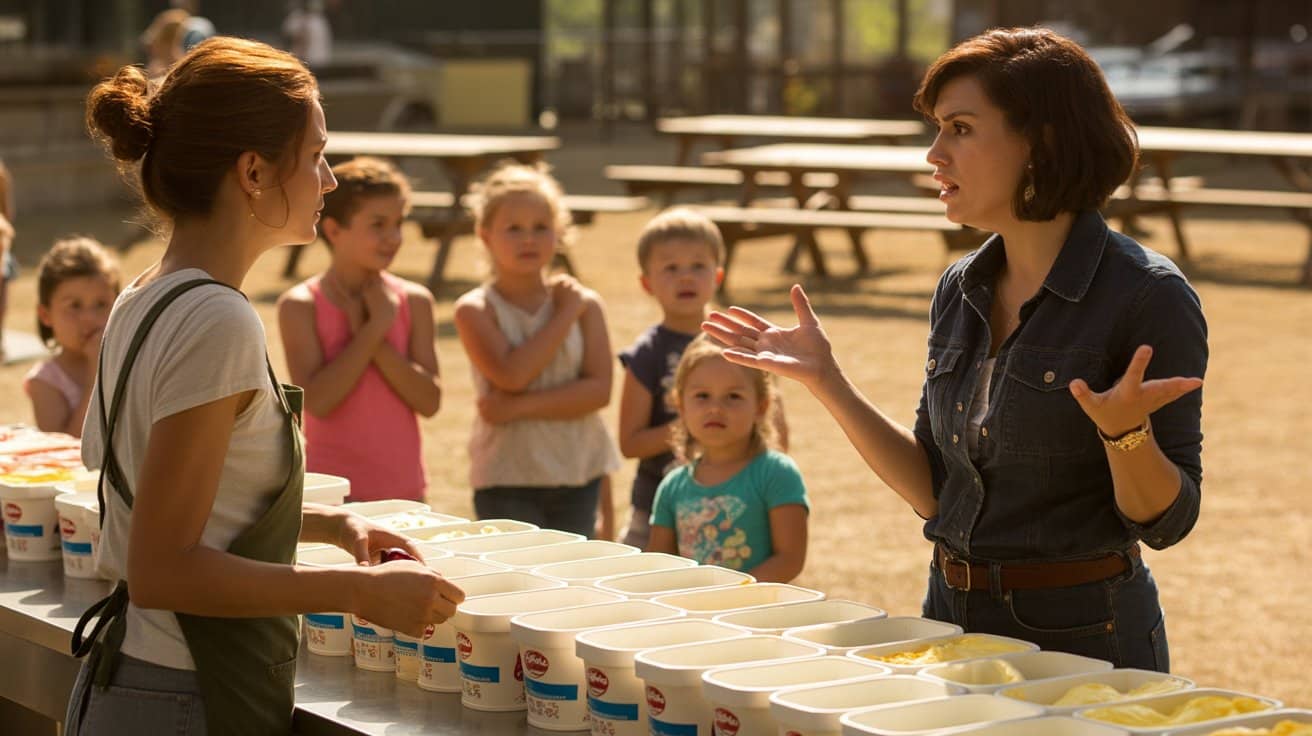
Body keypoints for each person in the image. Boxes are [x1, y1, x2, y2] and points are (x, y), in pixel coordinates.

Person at [704, 27, 1206, 671]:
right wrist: (827, 380)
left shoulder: (1147, 296)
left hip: (1084, 633)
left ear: (1042, 141)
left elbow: (1166, 520)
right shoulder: (960, 286)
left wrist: (1125, 434)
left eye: (961, 128)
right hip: (949, 616)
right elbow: (937, 494)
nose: (934, 154)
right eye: (938, 128)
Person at [68, 37, 464, 735]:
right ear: (253, 171)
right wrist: (359, 592)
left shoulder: (144, 295)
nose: (331, 179)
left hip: (139, 684)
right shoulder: (217, 320)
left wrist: (332, 526)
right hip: (182, 697)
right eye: (314, 156)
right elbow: (163, 568)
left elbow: (169, 505)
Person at [453, 161, 620, 537]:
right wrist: (562, 316)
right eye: (513, 228)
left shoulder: (587, 304)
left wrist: (513, 408)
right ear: (484, 235)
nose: (528, 238)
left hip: (578, 470)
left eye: (541, 227)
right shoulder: (475, 310)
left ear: (559, 233)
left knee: (575, 585)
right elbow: (512, 374)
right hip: (507, 475)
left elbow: (598, 392)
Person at [618, 208, 789, 548]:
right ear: (646, 283)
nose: (686, 277)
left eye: (698, 266)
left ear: (718, 276)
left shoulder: (741, 343)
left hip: (736, 505)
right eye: (671, 268)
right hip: (655, 506)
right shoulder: (646, 354)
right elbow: (630, 442)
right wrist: (695, 423)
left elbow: (775, 431)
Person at [277, 157, 439, 504]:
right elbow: (318, 402)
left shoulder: (415, 301)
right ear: (334, 230)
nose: (393, 238)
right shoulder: (300, 305)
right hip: (334, 497)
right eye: (378, 225)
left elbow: (429, 401)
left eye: (398, 224)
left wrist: (378, 333)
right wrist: (371, 332)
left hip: (405, 494)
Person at [646, 334, 808, 583]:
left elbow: (789, 560)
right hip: (694, 616)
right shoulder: (672, 486)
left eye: (733, 396)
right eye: (702, 396)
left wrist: (731, 595)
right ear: (680, 406)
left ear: (761, 406)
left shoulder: (776, 474)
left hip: (757, 617)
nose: (716, 408)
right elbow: (659, 568)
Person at [25, 237, 121, 437]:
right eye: (74, 306)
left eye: (101, 304)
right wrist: (96, 373)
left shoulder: (126, 361)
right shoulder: (45, 382)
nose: (89, 319)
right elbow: (68, 447)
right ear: (46, 315)